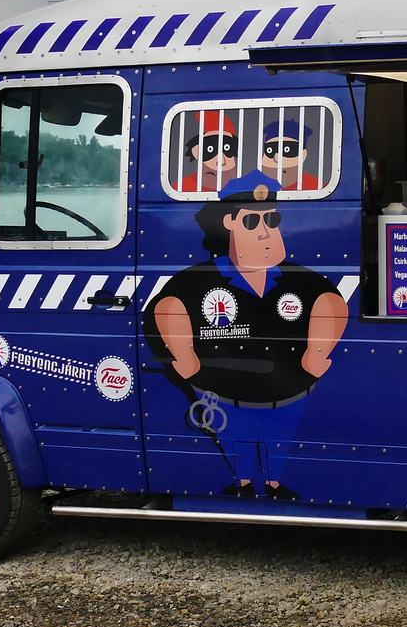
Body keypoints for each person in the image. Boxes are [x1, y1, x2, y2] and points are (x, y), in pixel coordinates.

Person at [144, 170, 349, 499]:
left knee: (278, 438)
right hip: (224, 394)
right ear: (229, 223)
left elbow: (331, 302)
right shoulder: (203, 277)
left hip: (289, 390)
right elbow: (169, 305)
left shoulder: (299, 279)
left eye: (273, 219)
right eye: (253, 222)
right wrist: (184, 355)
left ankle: (274, 484)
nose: (267, 232)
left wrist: (318, 351)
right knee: (235, 438)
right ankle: (241, 485)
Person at [175, 111, 239, 193]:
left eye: (227, 149)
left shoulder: (244, 187)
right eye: (210, 150)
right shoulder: (183, 188)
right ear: (196, 151)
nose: (221, 161)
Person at [261, 118, 322, 191]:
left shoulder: (316, 187)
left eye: (287, 150)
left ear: (303, 154)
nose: (276, 158)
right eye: (270, 150)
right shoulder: (249, 184)